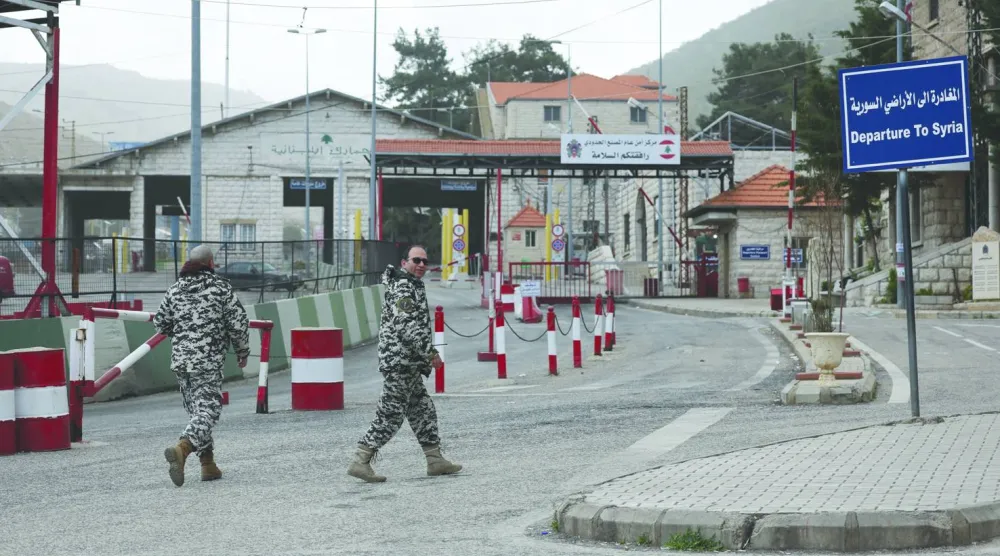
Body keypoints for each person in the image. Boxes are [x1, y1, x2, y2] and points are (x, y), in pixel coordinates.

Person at [347, 244, 462, 483]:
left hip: (408, 362)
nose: (421, 265)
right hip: (400, 361)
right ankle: (361, 459)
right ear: (404, 263)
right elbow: (407, 326)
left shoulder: (411, 284)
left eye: (424, 261)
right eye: (416, 260)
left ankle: (435, 460)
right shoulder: (402, 286)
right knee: (390, 414)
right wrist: (430, 353)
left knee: (423, 410)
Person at [154, 244, 251, 487]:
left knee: (197, 413)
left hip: (181, 361)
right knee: (209, 411)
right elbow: (238, 324)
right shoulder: (220, 288)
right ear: (211, 264)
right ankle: (182, 447)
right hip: (207, 361)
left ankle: (208, 465)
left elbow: (161, 324)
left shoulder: (175, 290)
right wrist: (242, 351)